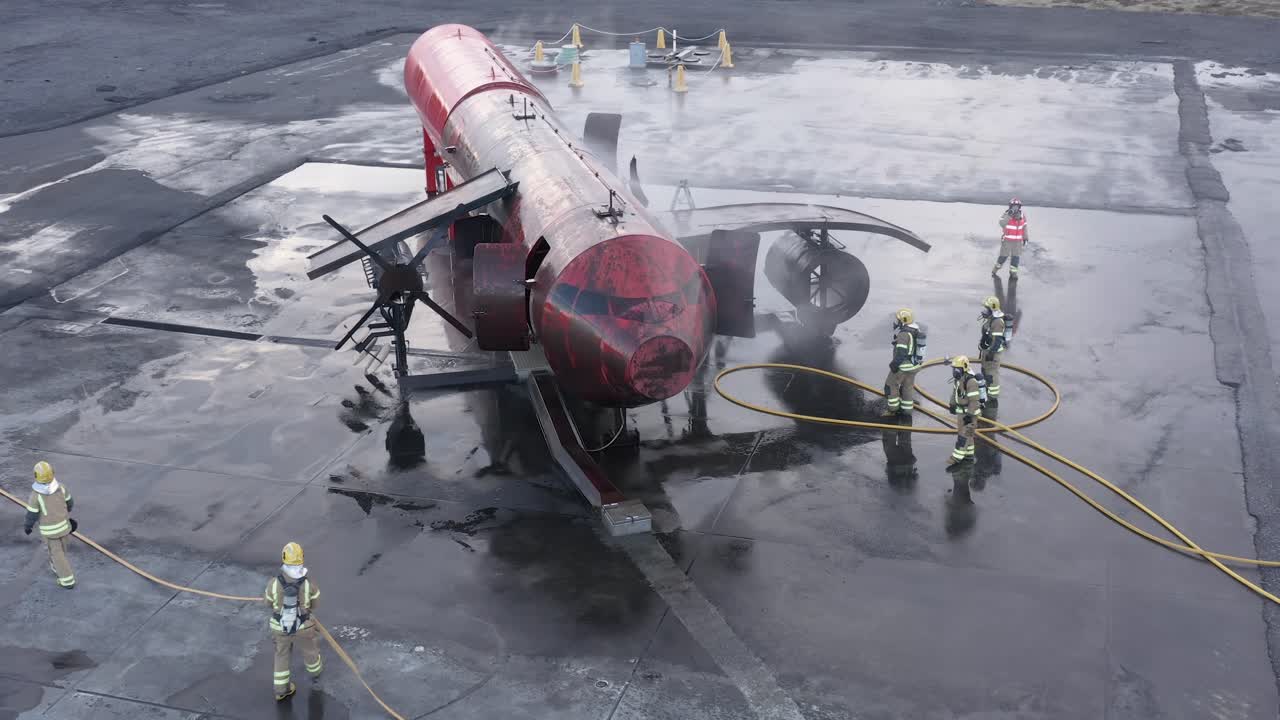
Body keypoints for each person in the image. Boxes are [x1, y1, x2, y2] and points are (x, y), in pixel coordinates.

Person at [266, 542, 322, 701]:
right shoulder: (308, 584)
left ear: (284, 558)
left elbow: (268, 603)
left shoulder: (273, 583)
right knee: (310, 651)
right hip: (303, 627)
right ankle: (316, 674)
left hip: (279, 627)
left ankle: (281, 690)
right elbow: (315, 603)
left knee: (281, 655)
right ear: (301, 558)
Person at [22, 461, 76, 589]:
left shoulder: (36, 495)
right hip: (65, 527)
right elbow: (70, 503)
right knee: (62, 550)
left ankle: (67, 581)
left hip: (50, 533)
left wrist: (27, 526)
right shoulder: (61, 487)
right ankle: (57, 567)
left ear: (36, 476)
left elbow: (32, 515)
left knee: (57, 555)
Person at [881, 308, 925, 419]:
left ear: (903, 320)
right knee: (907, 387)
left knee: (890, 386)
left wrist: (894, 365)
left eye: (898, 320)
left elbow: (901, 352)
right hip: (914, 366)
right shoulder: (915, 331)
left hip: (903, 367)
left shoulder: (904, 334)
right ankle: (907, 410)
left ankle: (893, 410)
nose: (897, 322)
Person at [946, 356, 982, 468]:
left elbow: (974, 401)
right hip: (961, 412)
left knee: (964, 436)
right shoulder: (958, 380)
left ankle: (956, 457)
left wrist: (970, 415)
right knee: (968, 435)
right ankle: (969, 454)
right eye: (954, 369)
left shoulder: (971, 382)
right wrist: (952, 404)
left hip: (970, 414)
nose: (955, 371)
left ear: (964, 368)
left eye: (957, 369)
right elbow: (955, 393)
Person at [977, 296, 1008, 404]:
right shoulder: (991, 319)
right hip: (988, 352)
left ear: (992, 309)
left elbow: (997, 340)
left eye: (987, 309)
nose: (985, 311)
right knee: (985, 372)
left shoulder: (997, 322)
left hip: (993, 354)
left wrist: (991, 352)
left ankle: (992, 397)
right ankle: (986, 390)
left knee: (991, 374)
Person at [991, 198, 1029, 278]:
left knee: (1015, 258)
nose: (1015, 208)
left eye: (1017, 206)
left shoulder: (1022, 215)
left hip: (1018, 242)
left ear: (1019, 207)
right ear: (1010, 206)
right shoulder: (1006, 214)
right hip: (1007, 241)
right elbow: (1002, 223)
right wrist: (1009, 215)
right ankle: (996, 268)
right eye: (1013, 206)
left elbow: (1024, 227)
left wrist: (1025, 238)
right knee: (1003, 257)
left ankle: (1013, 273)